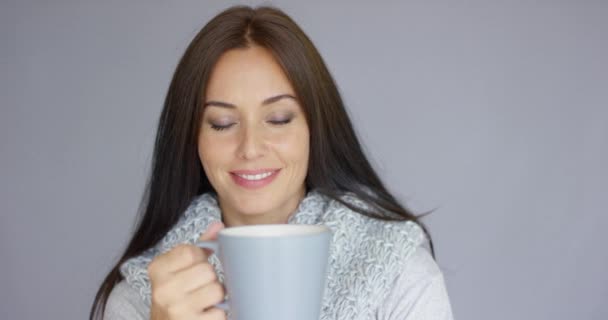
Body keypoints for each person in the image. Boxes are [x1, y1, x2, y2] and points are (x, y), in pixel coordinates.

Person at [90, 5, 454, 320]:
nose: (250, 147)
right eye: (223, 124)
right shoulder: (146, 296)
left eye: (279, 119)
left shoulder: (400, 273)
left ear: (317, 127)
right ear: (192, 138)